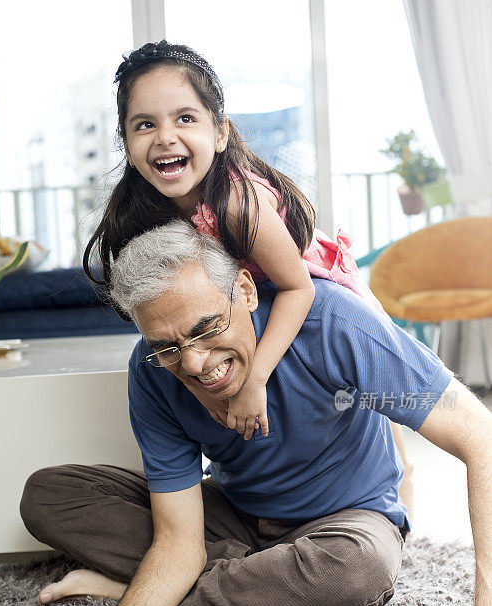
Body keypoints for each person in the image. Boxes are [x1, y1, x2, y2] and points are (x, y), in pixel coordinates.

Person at [0, 220, 492, 606]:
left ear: (246, 290)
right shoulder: (151, 370)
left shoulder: (334, 324)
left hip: (348, 519)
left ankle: (138, 587)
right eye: (168, 347)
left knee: (351, 573)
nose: (195, 363)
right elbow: (178, 541)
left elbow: (478, 434)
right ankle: (261, 584)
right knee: (51, 495)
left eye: (207, 330)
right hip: (240, 513)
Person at [81, 38, 412, 504]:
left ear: (219, 133)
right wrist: (210, 396)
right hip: (249, 296)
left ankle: (399, 480)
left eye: (185, 118)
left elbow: (298, 288)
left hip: (311, 282)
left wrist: (253, 381)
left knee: (374, 390)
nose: (165, 136)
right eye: (145, 125)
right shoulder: (143, 215)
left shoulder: (236, 202)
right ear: (127, 143)